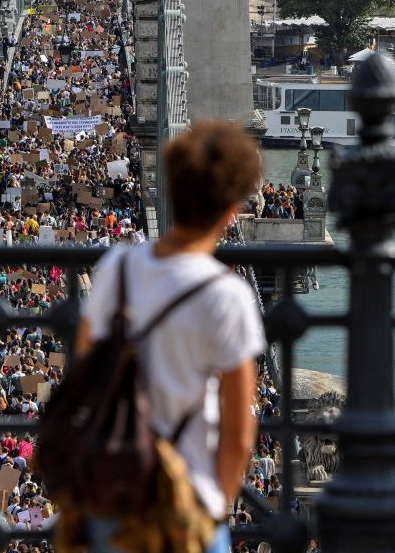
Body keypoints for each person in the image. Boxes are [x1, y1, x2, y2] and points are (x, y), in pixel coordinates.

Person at [75, 121, 266, 552]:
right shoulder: (229, 295)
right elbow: (239, 432)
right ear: (232, 209)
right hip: (188, 501)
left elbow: (87, 380)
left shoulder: (115, 270)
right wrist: (217, 507)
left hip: (115, 495)